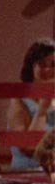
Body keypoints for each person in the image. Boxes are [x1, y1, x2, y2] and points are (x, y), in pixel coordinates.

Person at [7, 38, 55, 170]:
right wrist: (42, 110)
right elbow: (28, 147)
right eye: (42, 64)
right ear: (31, 67)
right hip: (26, 174)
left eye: (53, 64)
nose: (48, 70)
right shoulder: (18, 101)